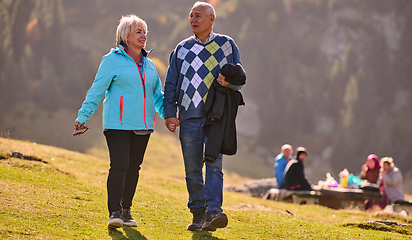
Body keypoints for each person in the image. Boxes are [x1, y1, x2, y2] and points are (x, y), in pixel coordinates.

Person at [74, 15, 164, 228]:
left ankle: (126, 211)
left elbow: (157, 95)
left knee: (134, 168)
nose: (143, 36)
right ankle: (114, 211)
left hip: (143, 125)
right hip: (118, 124)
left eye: (145, 32)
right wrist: (83, 117)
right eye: (138, 32)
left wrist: (168, 116)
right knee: (120, 164)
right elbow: (97, 90)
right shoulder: (111, 60)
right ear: (126, 36)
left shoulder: (150, 65)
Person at [163, 1, 244, 232]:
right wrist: (170, 113)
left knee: (214, 165)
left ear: (211, 19)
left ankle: (213, 212)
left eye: (198, 15)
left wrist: (229, 83)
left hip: (216, 117)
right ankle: (198, 213)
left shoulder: (226, 45)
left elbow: (239, 78)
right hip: (188, 117)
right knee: (192, 168)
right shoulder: (181, 49)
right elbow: (170, 84)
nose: (193, 20)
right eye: (191, 16)